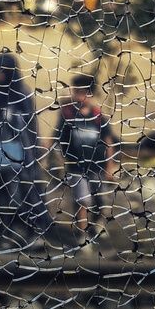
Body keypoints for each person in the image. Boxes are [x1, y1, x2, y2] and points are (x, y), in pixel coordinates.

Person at [0, 52, 53, 248]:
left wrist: (34, 148)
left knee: (26, 192)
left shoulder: (22, 94)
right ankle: (4, 235)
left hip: (20, 153)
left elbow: (30, 124)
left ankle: (33, 233)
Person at [54, 73, 117, 243]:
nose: (78, 96)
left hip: (97, 166)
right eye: (76, 92)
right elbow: (59, 139)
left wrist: (110, 166)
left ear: (89, 94)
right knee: (83, 201)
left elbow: (108, 141)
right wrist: (61, 161)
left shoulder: (98, 116)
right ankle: (82, 235)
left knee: (99, 201)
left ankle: (97, 224)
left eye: (82, 92)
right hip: (76, 167)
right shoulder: (68, 115)